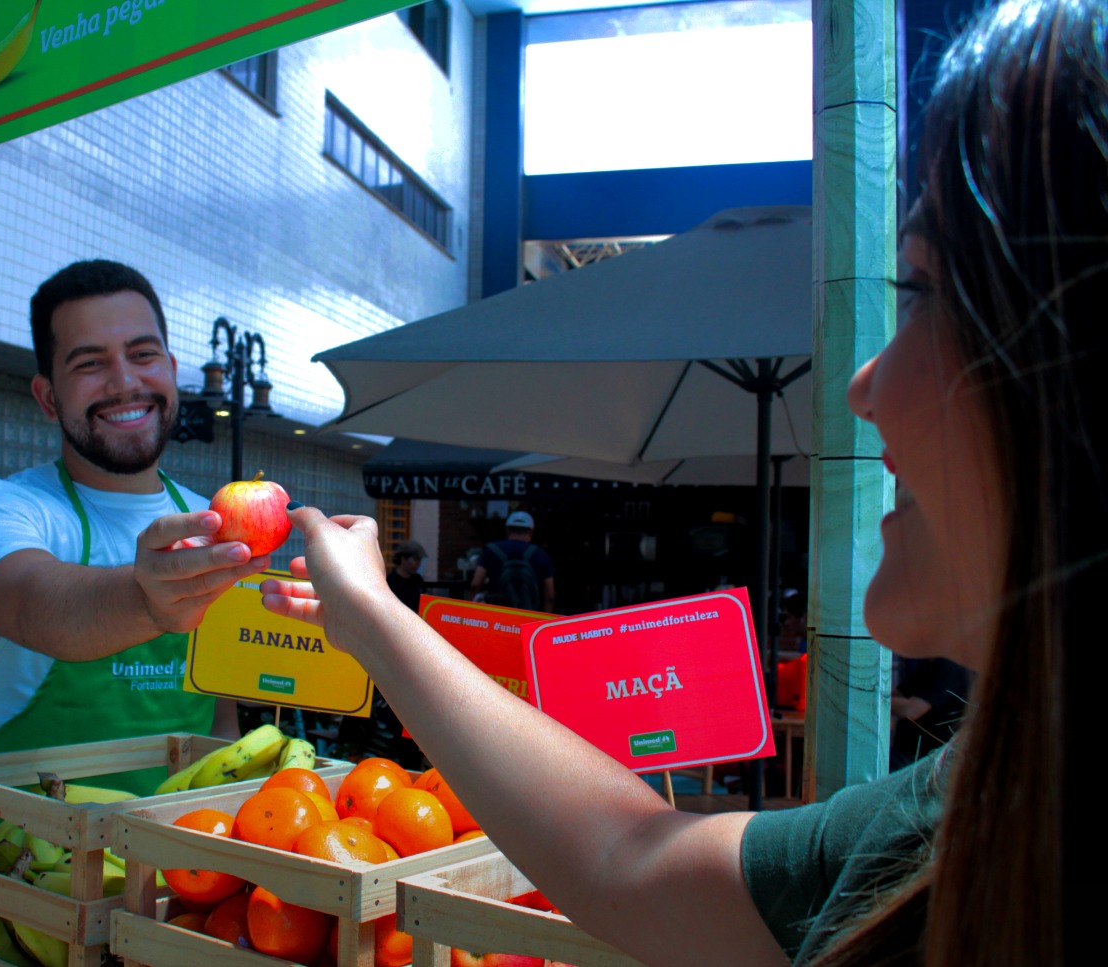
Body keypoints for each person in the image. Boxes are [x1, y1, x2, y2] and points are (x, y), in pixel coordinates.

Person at [261, 1, 1095, 962]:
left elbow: (631, 862)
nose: (864, 384)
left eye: (926, 292)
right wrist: (369, 614)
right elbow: (628, 858)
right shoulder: (967, 796)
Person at [0, 260, 269, 788]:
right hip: (18, 855)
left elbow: (218, 718)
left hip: (182, 861)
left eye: (143, 355)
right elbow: (34, 604)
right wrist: (151, 600)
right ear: (49, 397)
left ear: (170, 367)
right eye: (90, 363)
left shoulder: (212, 520)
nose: (125, 382)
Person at [889, 658, 971, 771]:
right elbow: (901, 693)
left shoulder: (950, 665)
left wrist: (869, 700)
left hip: (926, 758)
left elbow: (912, 710)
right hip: (910, 752)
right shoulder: (931, 662)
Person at [468, 510, 556, 612]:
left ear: (507, 529)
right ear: (531, 531)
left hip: (498, 614)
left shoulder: (491, 550)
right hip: (528, 615)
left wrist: (468, 613)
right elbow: (550, 595)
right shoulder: (542, 555)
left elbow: (475, 584)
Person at [385, 540, 428, 611]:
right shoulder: (391, 582)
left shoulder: (417, 579)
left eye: (420, 560)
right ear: (403, 559)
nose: (418, 564)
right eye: (415, 559)